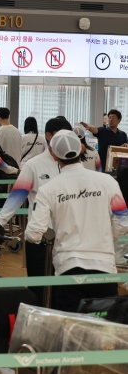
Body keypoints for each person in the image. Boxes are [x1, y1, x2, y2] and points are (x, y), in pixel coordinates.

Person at [25, 130, 128, 313]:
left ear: (54, 154)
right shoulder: (108, 182)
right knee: (104, 332)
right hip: (104, 267)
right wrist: (102, 237)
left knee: (71, 331)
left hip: (68, 268)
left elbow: (34, 234)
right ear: (81, 148)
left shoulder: (48, 189)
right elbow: (123, 222)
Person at [0, 117, 72, 306]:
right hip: (39, 239)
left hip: (69, 240)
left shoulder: (74, 167)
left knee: (63, 292)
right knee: (38, 291)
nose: (67, 142)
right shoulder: (34, 165)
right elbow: (16, 198)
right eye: (61, 137)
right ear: (48, 136)